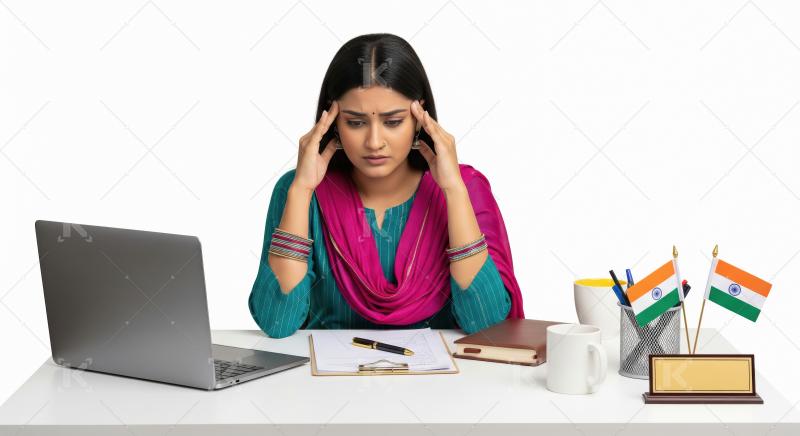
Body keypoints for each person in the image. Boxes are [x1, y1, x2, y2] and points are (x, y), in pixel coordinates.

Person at [248, 33, 524, 338]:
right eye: (355, 122)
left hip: (441, 382)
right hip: (322, 383)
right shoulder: (300, 191)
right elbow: (277, 322)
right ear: (332, 120)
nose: (374, 142)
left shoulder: (465, 189)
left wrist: (454, 193)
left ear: (419, 118)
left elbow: (487, 326)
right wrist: (301, 192)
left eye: (393, 122)